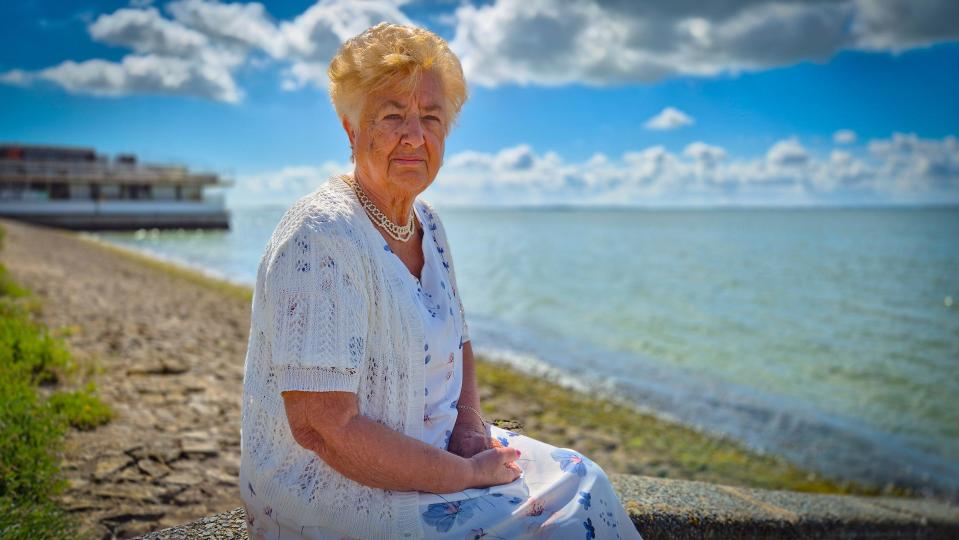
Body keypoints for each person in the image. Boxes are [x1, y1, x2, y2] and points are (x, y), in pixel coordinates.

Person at [239, 22, 643, 540]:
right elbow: (323, 429)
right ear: (351, 129)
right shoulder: (322, 235)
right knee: (549, 524)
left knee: (584, 480)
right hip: (336, 490)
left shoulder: (426, 221)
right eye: (392, 116)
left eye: (430, 117)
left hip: (432, 452)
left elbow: (461, 338)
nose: (414, 135)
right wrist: (465, 475)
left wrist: (470, 429)